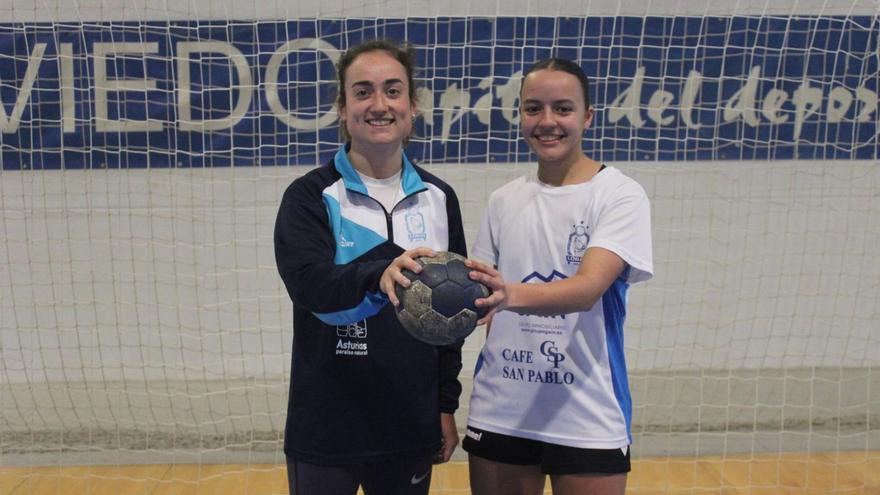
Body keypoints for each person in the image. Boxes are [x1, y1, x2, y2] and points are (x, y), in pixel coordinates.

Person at [274, 39, 464, 495]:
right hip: (326, 426)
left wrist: (444, 405)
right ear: (342, 108)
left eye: (392, 90)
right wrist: (378, 275)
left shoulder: (439, 198)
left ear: (412, 106)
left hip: (408, 425)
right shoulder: (309, 196)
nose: (379, 104)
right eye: (362, 92)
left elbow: (451, 318)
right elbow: (310, 286)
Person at [462, 58, 654, 495]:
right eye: (533, 108)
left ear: (587, 117)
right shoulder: (503, 200)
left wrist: (506, 294)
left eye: (562, 108)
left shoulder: (619, 195)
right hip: (501, 409)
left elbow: (587, 289)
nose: (547, 121)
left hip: (586, 413)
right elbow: (479, 296)